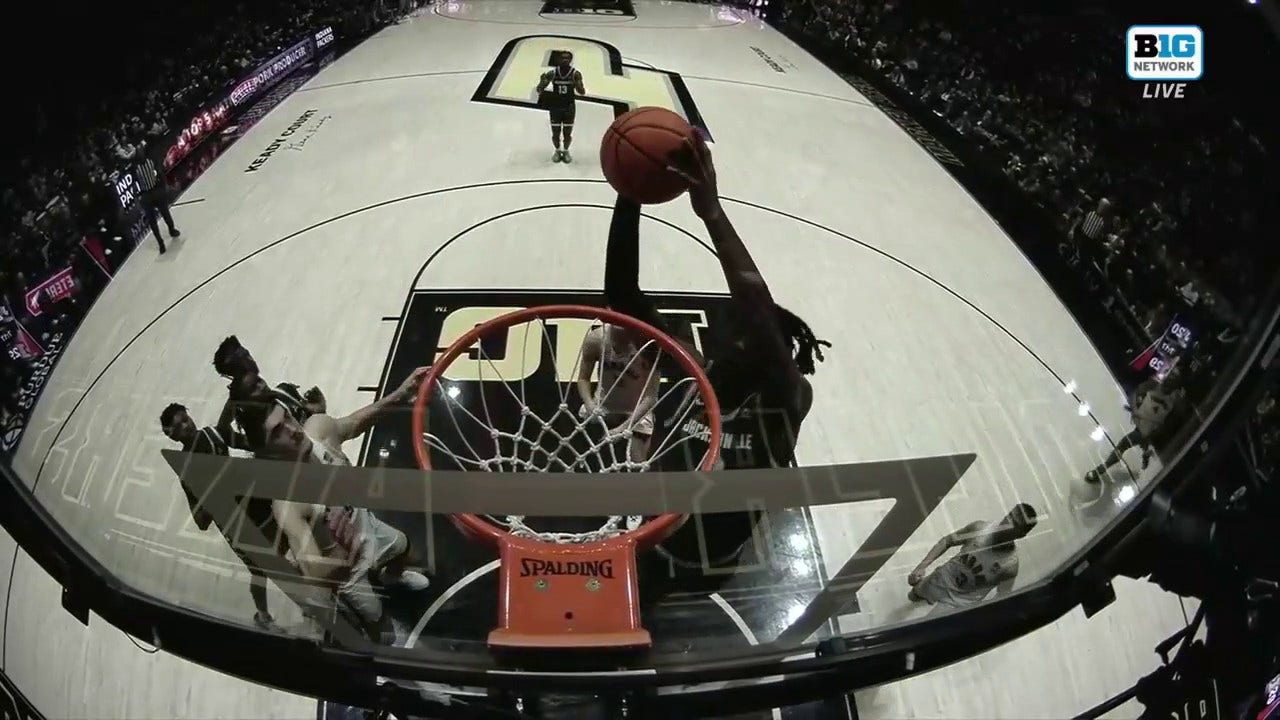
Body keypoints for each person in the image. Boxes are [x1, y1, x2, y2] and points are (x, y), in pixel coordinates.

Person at [602, 135, 830, 565]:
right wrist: (630, 192)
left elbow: (759, 316)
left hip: (716, 560)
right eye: (728, 336)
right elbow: (623, 293)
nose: (728, 345)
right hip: (653, 538)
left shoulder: (786, 398)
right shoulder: (700, 375)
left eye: (744, 340)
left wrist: (712, 213)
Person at [233, 366, 433, 635]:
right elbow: (314, 570)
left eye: (289, 418)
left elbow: (353, 423)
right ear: (266, 453)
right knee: (383, 629)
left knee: (406, 548)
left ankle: (392, 576)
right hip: (349, 571)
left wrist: (400, 393)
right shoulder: (287, 504)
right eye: (278, 431)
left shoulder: (317, 429)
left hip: (368, 526)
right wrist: (341, 552)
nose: (293, 429)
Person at [160, 399, 278, 630]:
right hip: (236, 523)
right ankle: (264, 614)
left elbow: (250, 444)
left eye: (186, 418)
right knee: (260, 569)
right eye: (181, 424)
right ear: (173, 436)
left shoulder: (214, 434)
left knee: (282, 550)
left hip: (256, 505)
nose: (187, 424)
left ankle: (307, 601)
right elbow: (201, 521)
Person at [907, 503, 1038, 609]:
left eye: (1014, 524)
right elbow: (947, 541)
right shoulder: (979, 528)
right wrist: (921, 567)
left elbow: (1002, 596)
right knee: (914, 595)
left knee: (927, 627)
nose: (1007, 523)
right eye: (1009, 516)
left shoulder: (1009, 566)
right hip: (943, 577)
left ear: (1021, 535)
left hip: (960, 601)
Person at [576, 322, 660, 463]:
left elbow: (650, 398)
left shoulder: (648, 347)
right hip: (602, 405)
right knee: (584, 461)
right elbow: (583, 378)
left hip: (635, 409)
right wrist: (589, 403)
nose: (618, 345)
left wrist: (623, 428)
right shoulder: (596, 339)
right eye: (616, 337)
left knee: (638, 467)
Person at [1085, 370, 1188, 483]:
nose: (1170, 378)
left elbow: (1167, 424)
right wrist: (1135, 408)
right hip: (1144, 429)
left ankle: (1099, 471)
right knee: (1130, 446)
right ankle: (1145, 456)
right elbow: (1136, 393)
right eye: (1171, 374)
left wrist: (1151, 434)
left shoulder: (1174, 402)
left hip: (1146, 432)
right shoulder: (1154, 385)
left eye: (1174, 376)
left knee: (1123, 444)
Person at [535, 50, 586, 163]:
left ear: (570, 60)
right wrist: (541, 82)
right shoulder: (552, 73)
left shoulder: (575, 74)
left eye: (567, 58)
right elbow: (539, 89)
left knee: (567, 133)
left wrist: (577, 84)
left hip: (569, 107)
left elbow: (582, 92)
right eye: (562, 58)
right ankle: (557, 150)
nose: (565, 60)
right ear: (558, 60)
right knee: (555, 133)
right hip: (556, 106)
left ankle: (566, 151)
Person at [132, 140, 180, 253]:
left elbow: (159, 173)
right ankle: (161, 242)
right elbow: (135, 184)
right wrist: (137, 199)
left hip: (154, 191)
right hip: (147, 194)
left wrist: (163, 186)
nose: (140, 154)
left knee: (165, 213)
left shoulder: (149, 161)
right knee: (153, 221)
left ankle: (171, 230)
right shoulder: (136, 167)